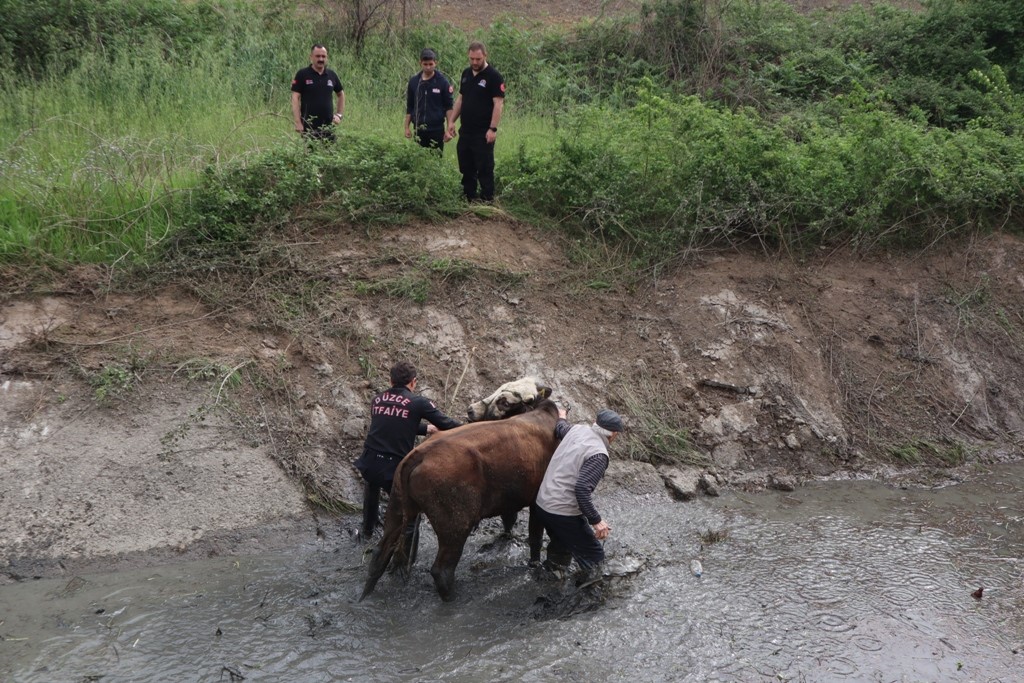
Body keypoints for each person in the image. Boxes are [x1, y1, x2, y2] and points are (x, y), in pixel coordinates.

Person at [354, 361, 461, 540]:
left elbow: (394, 422)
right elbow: (448, 424)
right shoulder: (418, 402)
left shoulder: (378, 399)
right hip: (393, 468)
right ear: (413, 382)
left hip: (369, 462)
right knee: (410, 513)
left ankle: (367, 532)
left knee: (371, 487)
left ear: (390, 381)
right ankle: (404, 555)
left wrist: (426, 429)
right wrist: (474, 430)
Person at [534, 407, 625, 584]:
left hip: (542, 505)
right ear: (613, 434)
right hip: (562, 512)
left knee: (561, 544)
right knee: (595, 558)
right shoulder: (599, 454)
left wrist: (561, 416)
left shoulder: (576, 429)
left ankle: (551, 579)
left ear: (595, 424)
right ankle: (591, 596)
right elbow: (582, 489)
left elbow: (560, 428)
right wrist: (596, 521)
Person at [448, 41, 505, 202]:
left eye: (478, 59)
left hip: (483, 132)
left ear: (485, 56)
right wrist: (451, 121)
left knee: (485, 168)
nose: (474, 62)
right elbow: (460, 99)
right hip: (466, 130)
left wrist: (492, 129)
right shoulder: (466, 74)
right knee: (466, 166)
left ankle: (487, 200)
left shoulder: (493, 76)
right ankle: (469, 198)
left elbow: (498, 104)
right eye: (471, 59)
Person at [405, 48, 455, 153]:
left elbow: (449, 107)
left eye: (431, 64)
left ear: (435, 63)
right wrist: (407, 127)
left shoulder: (442, 82)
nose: (428, 67)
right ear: (420, 63)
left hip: (436, 130)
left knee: (435, 160)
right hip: (418, 129)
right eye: (425, 64)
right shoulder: (414, 82)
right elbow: (410, 106)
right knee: (419, 161)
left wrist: (449, 128)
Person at [291, 44, 345, 141]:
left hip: (329, 126)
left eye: (323, 56)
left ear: (327, 57)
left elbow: (341, 94)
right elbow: (295, 97)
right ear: (311, 57)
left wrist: (339, 115)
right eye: (318, 56)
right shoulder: (302, 74)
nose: (321, 59)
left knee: (329, 155)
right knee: (310, 155)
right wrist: (298, 122)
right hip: (309, 126)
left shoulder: (331, 75)